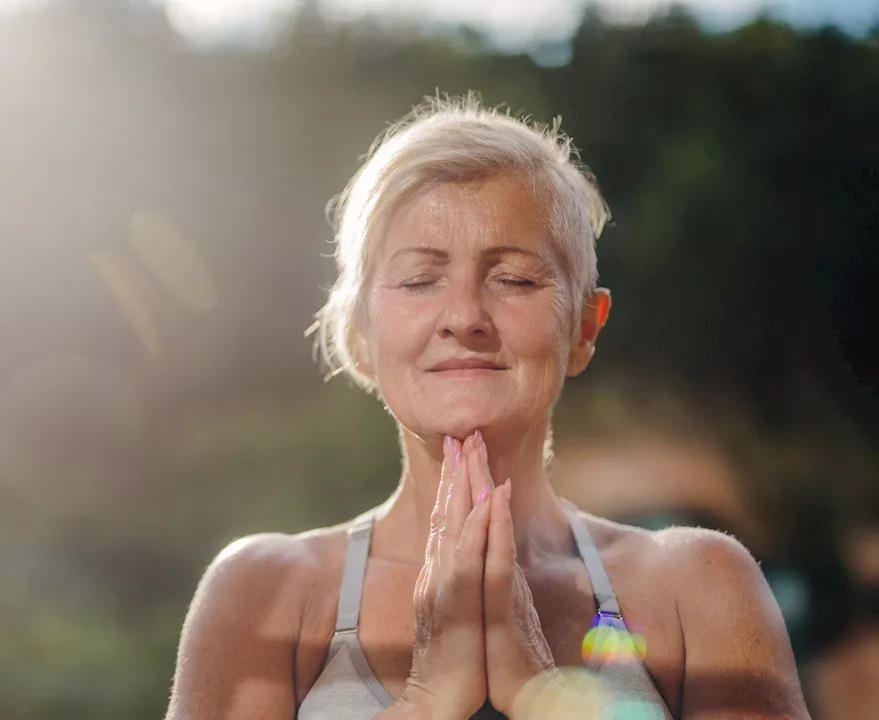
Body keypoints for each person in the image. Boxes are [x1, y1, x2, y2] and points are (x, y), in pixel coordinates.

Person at [164, 95, 810, 720]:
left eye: (515, 280)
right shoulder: (264, 592)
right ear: (359, 335)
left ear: (584, 327)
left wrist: (535, 686)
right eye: (420, 280)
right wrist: (428, 700)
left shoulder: (698, 586)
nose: (465, 317)